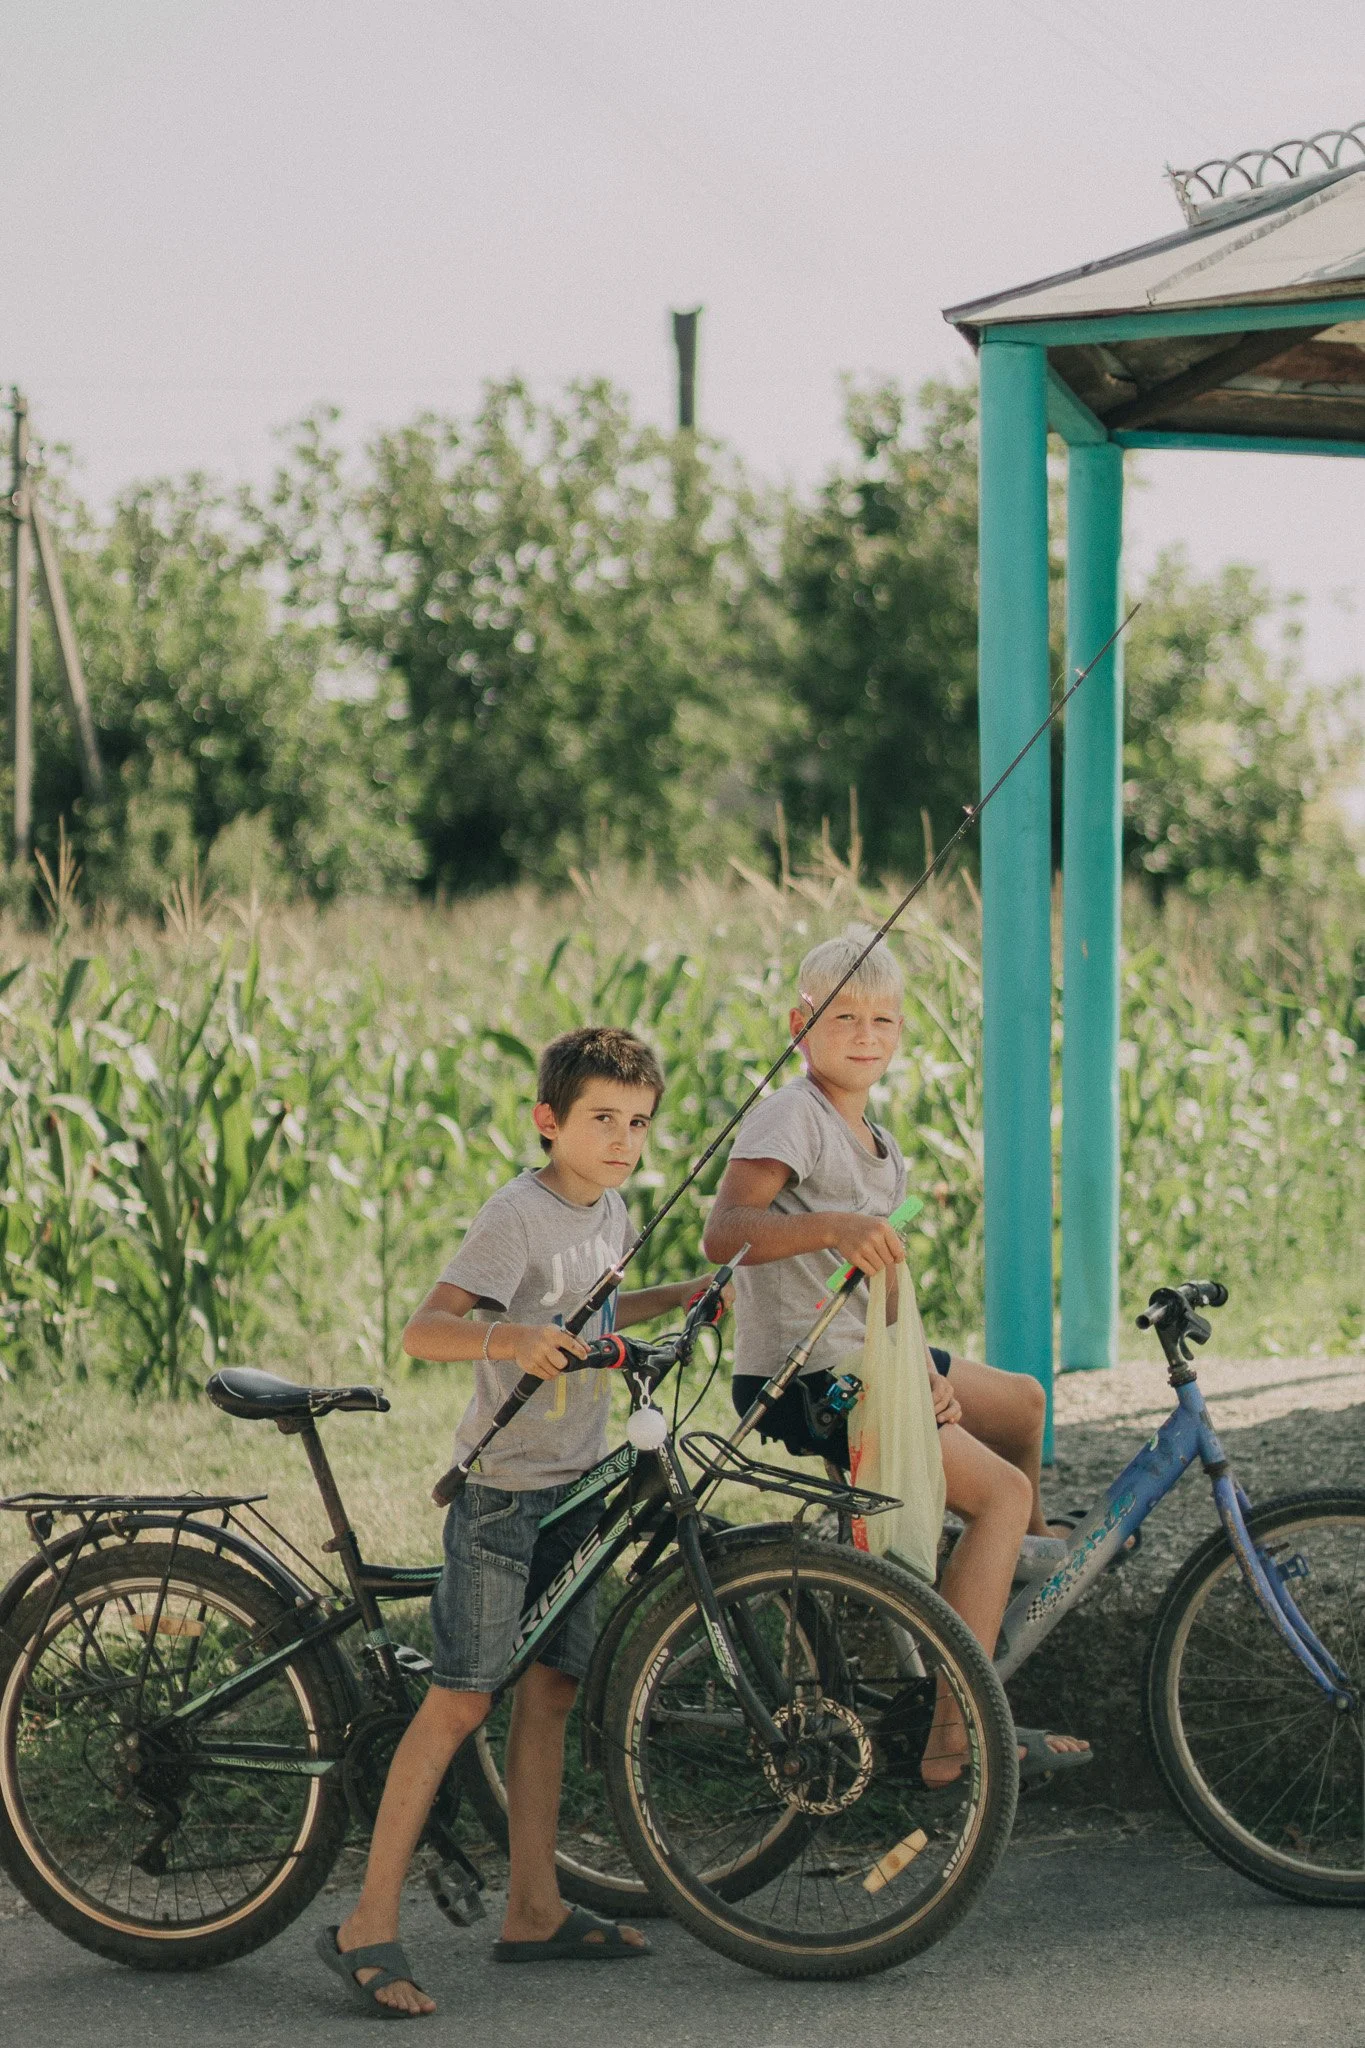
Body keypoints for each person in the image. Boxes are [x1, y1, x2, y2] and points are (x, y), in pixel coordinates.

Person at [319, 1025, 722, 2017]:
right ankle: (366, 1919)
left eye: (637, 1122)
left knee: (552, 1689)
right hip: (504, 1492)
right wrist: (509, 1335)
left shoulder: (615, 1206)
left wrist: (693, 1294)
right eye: (601, 1119)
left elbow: (601, 1317)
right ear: (550, 1120)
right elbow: (427, 1326)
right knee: (461, 1700)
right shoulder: (518, 1211)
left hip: (577, 1483)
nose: (623, 1138)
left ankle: (534, 1907)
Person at [702, 927, 1090, 1788]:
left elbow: (881, 1291)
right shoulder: (789, 1117)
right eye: (844, 1017)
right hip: (805, 1376)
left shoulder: (879, 1142)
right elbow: (723, 1231)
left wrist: (921, 1378)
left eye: (883, 1019)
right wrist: (835, 1226)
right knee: (1002, 1493)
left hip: (869, 1355)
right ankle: (954, 1740)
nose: (866, 1035)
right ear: (800, 1026)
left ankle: (1006, 1562)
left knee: (1022, 1404)